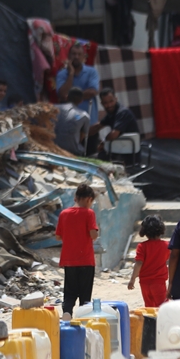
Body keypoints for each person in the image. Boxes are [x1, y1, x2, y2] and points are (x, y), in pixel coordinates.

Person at [55, 183, 99, 318]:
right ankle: (83, 317)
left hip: (69, 261)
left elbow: (58, 236)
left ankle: (67, 312)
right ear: (88, 199)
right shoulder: (89, 213)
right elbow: (93, 235)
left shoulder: (64, 214)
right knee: (85, 295)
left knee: (69, 292)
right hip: (86, 261)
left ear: (76, 198)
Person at [128, 215, 170, 308]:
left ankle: (150, 322)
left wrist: (132, 279)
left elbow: (138, 263)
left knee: (149, 306)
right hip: (159, 282)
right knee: (162, 306)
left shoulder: (142, 246)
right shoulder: (166, 246)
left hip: (144, 282)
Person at [55, 44, 99, 125]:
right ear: (69, 56)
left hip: (90, 122)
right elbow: (63, 94)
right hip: (70, 123)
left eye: (79, 54)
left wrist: (71, 97)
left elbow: (92, 92)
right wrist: (71, 74)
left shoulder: (91, 72)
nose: (76, 57)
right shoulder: (61, 74)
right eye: (74, 54)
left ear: (83, 57)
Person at [93, 87, 140, 158]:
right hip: (118, 150)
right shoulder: (111, 113)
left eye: (111, 101)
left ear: (116, 99)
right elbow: (97, 127)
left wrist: (104, 143)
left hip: (129, 154)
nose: (109, 105)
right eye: (105, 103)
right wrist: (82, 133)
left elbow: (113, 135)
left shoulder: (123, 112)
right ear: (101, 103)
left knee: (95, 159)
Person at [54, 88, 90, 156]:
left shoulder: (53, 108)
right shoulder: (84, 116)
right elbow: (81, 137)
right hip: (73, 151)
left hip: (53, 147)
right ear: (81, 101)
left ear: (67, 97)